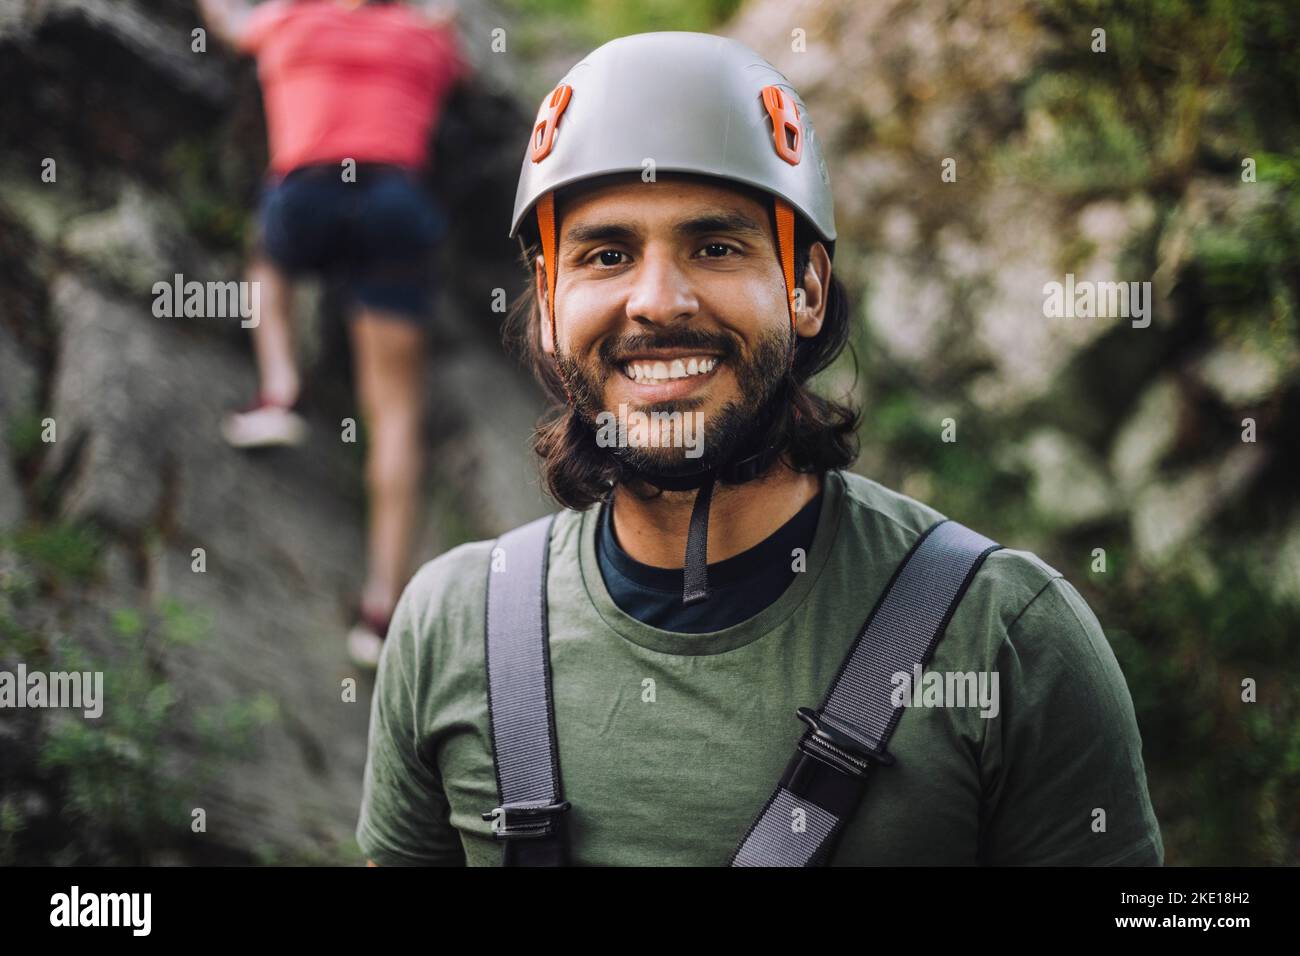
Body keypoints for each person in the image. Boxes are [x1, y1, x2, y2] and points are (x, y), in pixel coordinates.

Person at [356, 32, 1164, 866]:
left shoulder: (1006, 636)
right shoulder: (452, 629)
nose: (658, 301)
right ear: (552, 303)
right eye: (607, 254)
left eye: (715, 247)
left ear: (806, 288)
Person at [195, 0, 470, 668]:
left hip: (307, 188)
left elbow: (229, 25)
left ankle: (281, 390)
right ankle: (381, 612)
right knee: (395, 412)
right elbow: (456, 54)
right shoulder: (421, 39)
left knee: (268, 264)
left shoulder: (292, 18)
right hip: (397, 204)